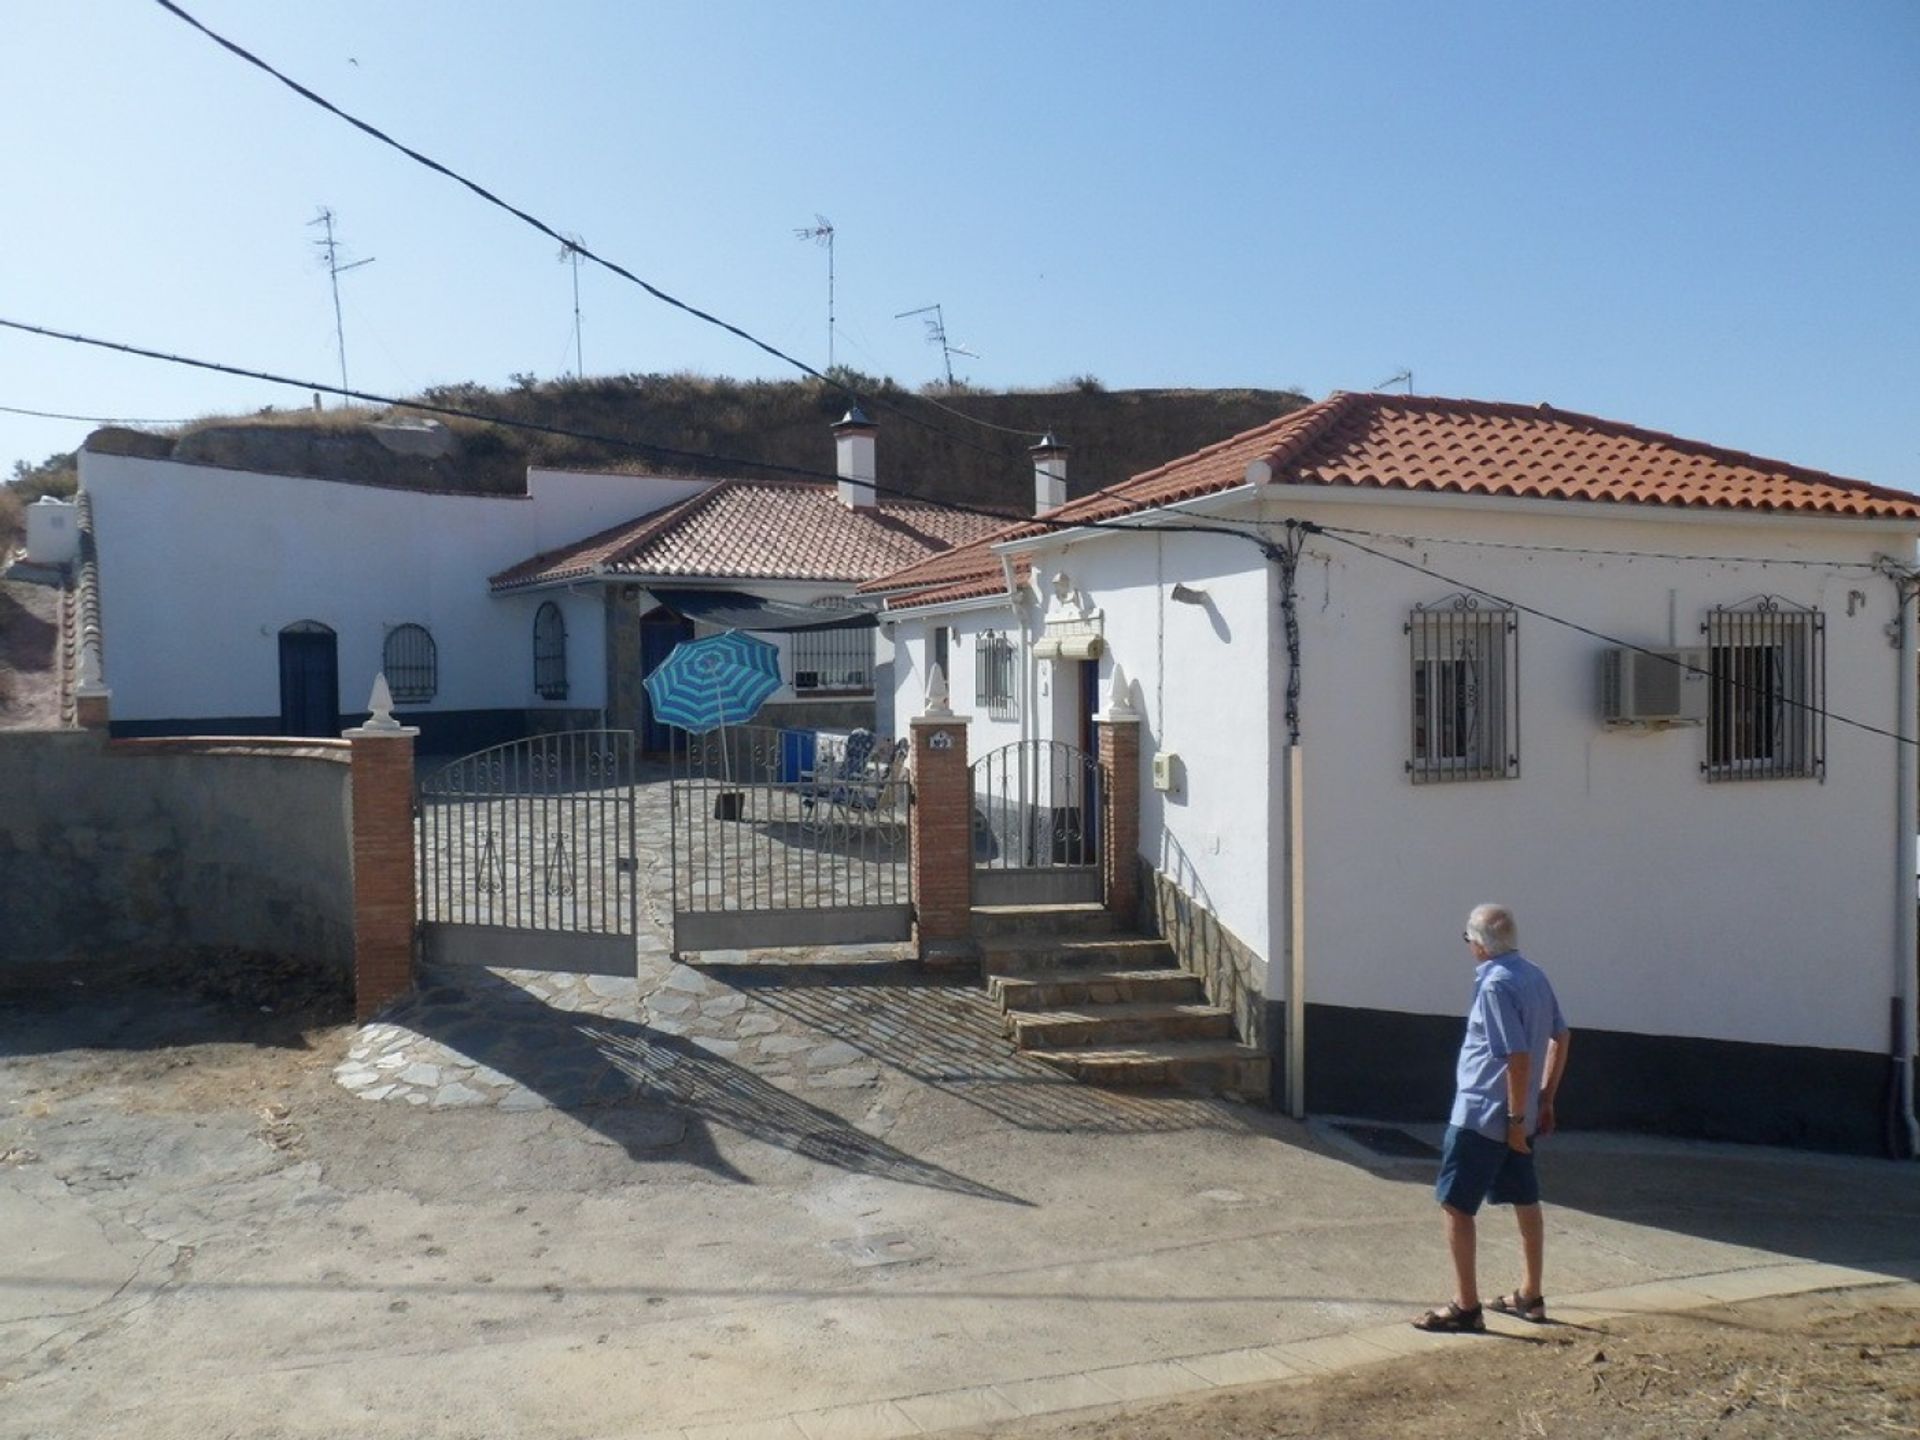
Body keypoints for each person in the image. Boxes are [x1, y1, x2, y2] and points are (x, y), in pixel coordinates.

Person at [1414, 903, 1572, 1333]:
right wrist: (1546, 1099)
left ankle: (1466, 1305)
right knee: (1525, 1199)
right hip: (1518, 1113)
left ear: (1480, 945)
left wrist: (1517, 1120)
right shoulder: (1534, 975)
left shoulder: (1495, 985)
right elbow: (1562, 1035)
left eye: (1469, 941)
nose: (1469, 948)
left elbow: (1516, 1056)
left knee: (1455, 1204)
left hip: (1484, 1114)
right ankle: (1530, 1294)